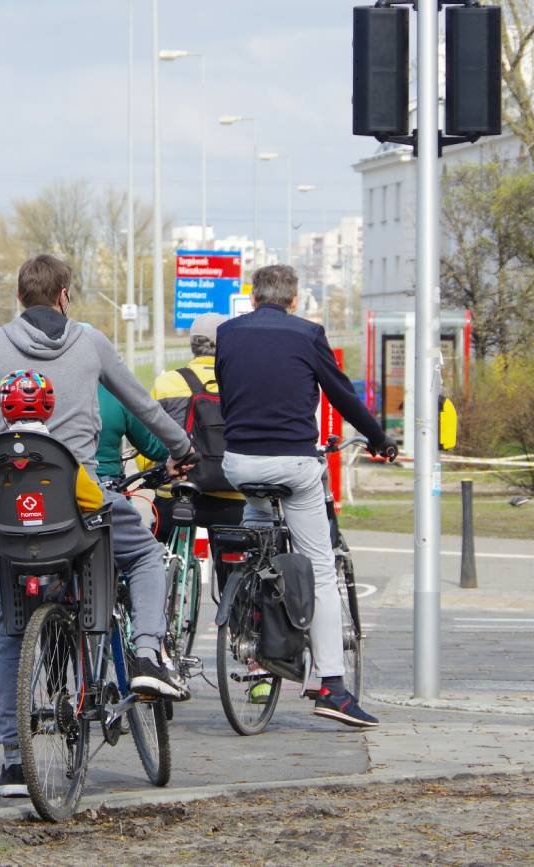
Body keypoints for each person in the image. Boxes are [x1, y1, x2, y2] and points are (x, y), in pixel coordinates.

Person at [0, 254, 195, 798]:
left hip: (13, 515)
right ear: (64, 295)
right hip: (81, 507)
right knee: (145, 557)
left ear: (20, 297)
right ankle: (147, 653)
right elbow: (143, 405)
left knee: (8, 632)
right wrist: (183, 447)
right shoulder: (90, 342)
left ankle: (13, 761)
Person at [214, 264, 397, 729]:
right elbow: (341, 395)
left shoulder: (227, 334)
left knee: (257, 525)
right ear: (294, 300)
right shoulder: (308, 334)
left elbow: (231, 395)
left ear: (253, 298)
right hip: (293, 465)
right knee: (319, 569)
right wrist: (379, 439)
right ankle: (332, 687)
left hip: (239, 464)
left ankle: (251, 606)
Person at [147, 312, 246, 563]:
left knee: (152, 559)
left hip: (176, 493)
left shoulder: (167, 383)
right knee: (233, 567)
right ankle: (232, 586)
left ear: (193, 344)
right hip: (230, 496)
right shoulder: (241, 383)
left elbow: (149, 444)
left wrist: (155, 473)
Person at [0, 370, 106, 515]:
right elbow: (93, 501)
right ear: (49, 405)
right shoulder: (61, 452)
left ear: (3, 404)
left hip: (9, 528)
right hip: (59, 528)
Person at [95, 382, 168, 484]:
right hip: (105, 483)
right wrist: (181, 450)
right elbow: (152, 447)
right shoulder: (114, 392)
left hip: (71, 483)